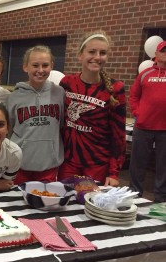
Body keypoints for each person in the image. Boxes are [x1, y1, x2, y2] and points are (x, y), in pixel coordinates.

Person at [58, 30, 126, 186]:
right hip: (68, 162)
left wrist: (113, 172)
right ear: (80, 55)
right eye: (92, 51)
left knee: (88, 207)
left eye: (103, 53)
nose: (97, 57)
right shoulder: (67, 82)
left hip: (96, 164)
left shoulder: (116, 89)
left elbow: (118, 135)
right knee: (64, 206)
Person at [6, 45, 64, 184]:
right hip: (19, 165)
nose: (40, 70)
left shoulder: (60, 93)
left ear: (51, 66)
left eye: (45, 65)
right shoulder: (14, 97)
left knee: (45, 203)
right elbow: (9, 130)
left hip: (48, 164)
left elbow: (61, 126)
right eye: (35, 65)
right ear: (25, 67)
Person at [129, 40, 166, 202]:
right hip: (143, 127)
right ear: (156, 54)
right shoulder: (145, 74)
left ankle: (161, 199)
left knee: (163, 167)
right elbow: (134, 96)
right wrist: (138, 113)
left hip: (165, 129)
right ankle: (134, 196)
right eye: (163, 51)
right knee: (137, 164)